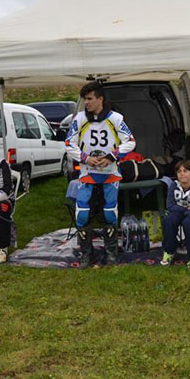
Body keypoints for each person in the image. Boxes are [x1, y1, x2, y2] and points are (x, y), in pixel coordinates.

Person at [66, 81, 135, 268]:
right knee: (82, 215)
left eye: (90, 99)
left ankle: (111, 255)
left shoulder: (116, 119)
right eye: (84, 99)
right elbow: (69, 144)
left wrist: (112, 156)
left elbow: (130, 142)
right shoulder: (79, 119)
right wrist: (85, 158)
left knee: (110, 214)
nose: (86, 103)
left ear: (100, 99)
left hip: (110, 174)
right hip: (87, 173)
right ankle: (86, 255)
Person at [160, 160, 190, 269]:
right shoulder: (173, 185)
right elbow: (170, 206)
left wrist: (185, 210)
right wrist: (186, 209)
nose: (182, 174)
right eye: (179, 171)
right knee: (168, 220)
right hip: (181, 211)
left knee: (188, 223)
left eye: (185, 171)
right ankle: (169, 251)